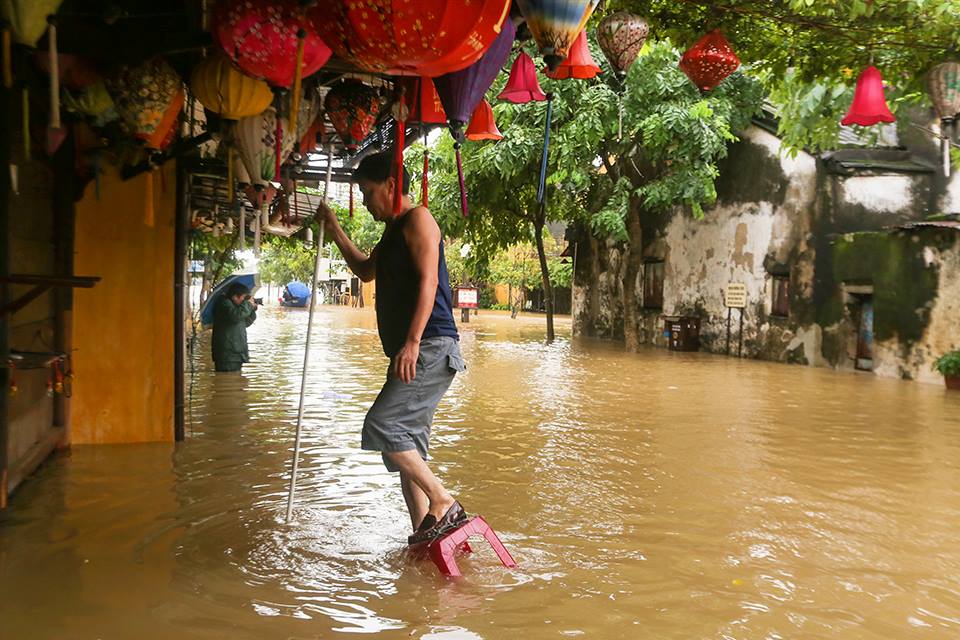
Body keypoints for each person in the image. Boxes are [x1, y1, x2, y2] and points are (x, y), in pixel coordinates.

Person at [315, 151, 467, 546]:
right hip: (413, 349)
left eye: (367, 193)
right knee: (405, 447)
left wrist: (413, 343)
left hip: (430, 345)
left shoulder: (419, 219)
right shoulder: (392, 231)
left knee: (382, 427)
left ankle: (443, 501)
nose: (365, 203)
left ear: (390, 185)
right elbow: (366, 270)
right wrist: (333, 228)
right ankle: (423, 533)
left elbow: (430, 282)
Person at [211, 282, 258, 373]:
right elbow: (236, 316)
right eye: (244, 298)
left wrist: (252, 310)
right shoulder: (223, 303)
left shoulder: (236, 307)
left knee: (236, 382)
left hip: (236, 352)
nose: (244, 301)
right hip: (227, 354)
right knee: (227, 382)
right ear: (234, 296)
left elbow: (245, 323)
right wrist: (247, 305)